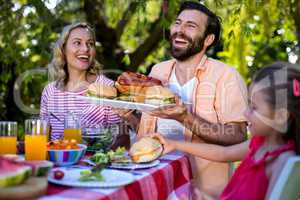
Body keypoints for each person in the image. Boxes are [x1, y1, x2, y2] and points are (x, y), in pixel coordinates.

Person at [135, 1, 248, 197]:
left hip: (200, 191)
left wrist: (185, 118)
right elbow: (148, 130)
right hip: (153, 181)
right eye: (178, 23)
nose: (180, 30)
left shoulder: (226, 76)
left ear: (208, 39)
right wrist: (127, 116)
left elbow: (237, 137)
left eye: (191, 26)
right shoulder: (158, 71)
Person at [153, 62, 300, 200]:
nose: (245, 113)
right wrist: (174, 144)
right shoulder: (258, 145)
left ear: (280, 116)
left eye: (254, 108)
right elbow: (223, 153)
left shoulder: (283, 162)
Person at [40, 22, 122, 141]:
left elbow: (121, 138)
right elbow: (43, 139)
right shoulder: (50, 91)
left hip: (92, 159)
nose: (85, 49)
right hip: (57, 159)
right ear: (63, 49)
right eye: (77, 43)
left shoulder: (108, 88)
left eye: (90, 44)